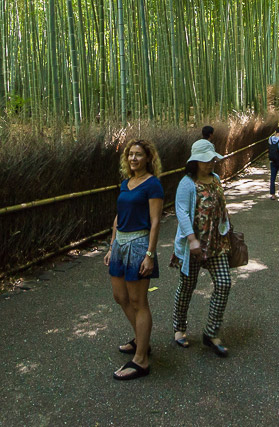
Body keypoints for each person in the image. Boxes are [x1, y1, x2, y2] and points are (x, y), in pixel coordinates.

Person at [105, 139, 164, 380]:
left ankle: (141, 359)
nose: (133, 158)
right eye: (130, 154)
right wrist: (111, 246)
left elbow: (156, 221)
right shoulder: (125, 183)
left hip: (139, 244)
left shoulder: (153, 185)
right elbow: (118, 217)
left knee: (139, 301)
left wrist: (150, 254)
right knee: (120, 297)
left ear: (148, 158)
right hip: (120, 244)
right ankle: (142, 340)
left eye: (139, 155)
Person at [171, 139, 233, 357]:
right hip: (194, 247)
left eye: (212, 159)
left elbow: (221, 208)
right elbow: (182, 212)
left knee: (224, 283)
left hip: (215, 244)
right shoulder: (187, 183)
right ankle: (179, 328)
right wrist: (191, 239)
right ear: (195, 161)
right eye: (206, 161)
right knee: (187, 287)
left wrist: (227, 231)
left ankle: (211, 332)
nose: (211, 164)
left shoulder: (215, 179)